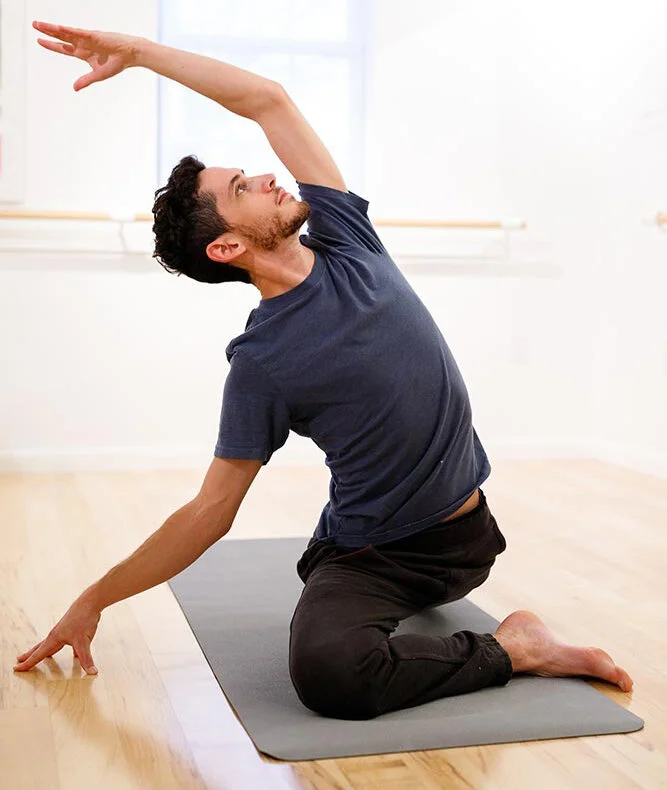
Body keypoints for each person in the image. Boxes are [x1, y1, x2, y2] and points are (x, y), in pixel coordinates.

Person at [15, 20, 633, 720]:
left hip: (468, 539)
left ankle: (482, 631)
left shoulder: (347, 238)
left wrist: (141, 53)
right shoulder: (261, 361)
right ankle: (516, 649)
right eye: (242, 187)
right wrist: (95, 598)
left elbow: (267, 99)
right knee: (329, 674)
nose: (267, 177)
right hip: (373, 555)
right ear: (227, 247)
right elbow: (210, 512)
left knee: (343, 645)